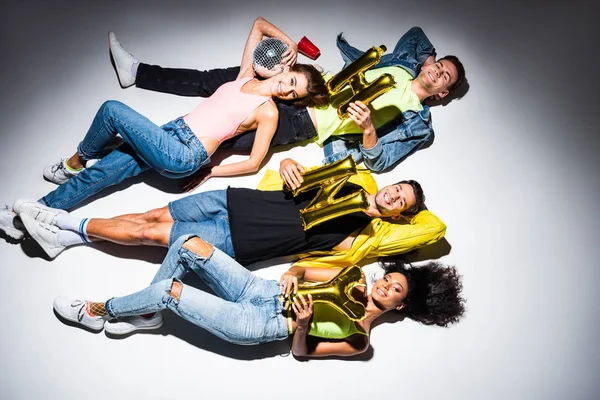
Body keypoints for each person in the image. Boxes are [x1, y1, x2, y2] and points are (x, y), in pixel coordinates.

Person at [0, 17, 328, 241]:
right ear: (286, 68)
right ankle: (30, 217)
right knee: (104, 172)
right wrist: (288, 43)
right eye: (291, 80)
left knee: (113, 111)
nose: (286, 88)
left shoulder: (268, 112)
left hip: (186, 154)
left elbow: (255, 162)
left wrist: (212, 172)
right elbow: (257, 25)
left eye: (293, 92)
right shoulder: (245, 76)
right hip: (171, 133)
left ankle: (73, 163)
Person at [108, 25, 466, 175]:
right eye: (439, 67)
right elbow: (417, 34)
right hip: (307, 83)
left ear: (444, 92)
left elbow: (380, 161)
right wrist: (428, 60)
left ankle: (126, 151)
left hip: (305, 123)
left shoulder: (418, 124)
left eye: (444, 77)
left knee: (219, 137)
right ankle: (137, 73)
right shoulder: (404, 65)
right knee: (213, 82)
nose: (437, 73)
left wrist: (369, 128)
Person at [52, 234, 465, 357]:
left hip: (260, 324)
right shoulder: (352, 274)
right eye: (389, 279)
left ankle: (100, 310)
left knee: (169, 290)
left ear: (400, 305)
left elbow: (301, 353)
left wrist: (302, 326)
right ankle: (149, 315)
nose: (384, 286)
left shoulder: (360, 339)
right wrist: (289, 274)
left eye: (393, 290)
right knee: (188, 245)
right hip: (258, 289)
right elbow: (300, 267)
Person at [15, 158, 445, 265]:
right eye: (397, 188)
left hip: (241, 241)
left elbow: (434, 229)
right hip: (237, 201)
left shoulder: (363, 237)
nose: (393, 194)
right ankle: (66, 238)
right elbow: (290, 172)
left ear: (399, 215)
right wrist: (290, 165)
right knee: (149, 217)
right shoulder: (349, 181)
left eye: (401, 200)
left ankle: (62, 223)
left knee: (149, 237)